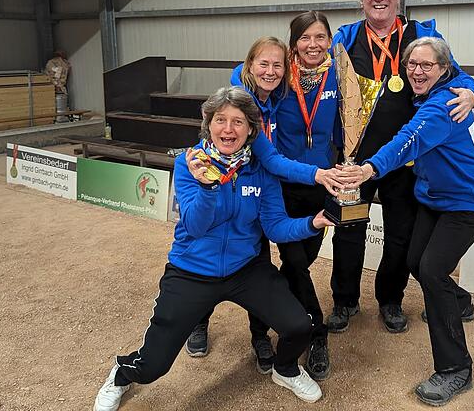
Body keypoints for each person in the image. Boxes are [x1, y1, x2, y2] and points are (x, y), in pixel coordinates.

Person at [93, 86, 331, 411]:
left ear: (251, 129)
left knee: (300, 325)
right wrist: (207, 186)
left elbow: (275, 227)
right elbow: (194, 225)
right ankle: (121, 374)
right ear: (209, 124)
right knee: (154, 366)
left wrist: (312, 223)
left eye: (238, 122)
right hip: (191, 271)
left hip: (246, 270)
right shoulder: (190, 163)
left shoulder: (261, 171)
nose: (228, 129)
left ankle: (285, 368)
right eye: (221, 120)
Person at [183, 37, 358, 374]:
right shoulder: (246, 100)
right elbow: (274, 160)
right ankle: (199, 320)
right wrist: (319, 175)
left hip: (266, 191)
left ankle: (261, 333)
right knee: (212, 251)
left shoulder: (279, 95)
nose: (271, 71)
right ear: (249, 64)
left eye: (278, 65)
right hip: (228, 184)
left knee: (265, 264)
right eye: (263, 63)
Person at [327, 0, 474, 334]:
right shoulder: (346, 39)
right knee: (348, 230)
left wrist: (473, 94)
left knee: (400, 235)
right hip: (355, 162)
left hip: (406, 162)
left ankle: (390, 301)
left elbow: (459, 75)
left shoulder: (420, 33)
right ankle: (344, 300)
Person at [350, 36, 474, 406]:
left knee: (431, 270)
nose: (416, 71)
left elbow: (405, 143)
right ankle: (459, 302)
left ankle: (455, 370)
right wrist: (471, 89)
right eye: (412, 64)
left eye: (426, 65)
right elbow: (463, 75)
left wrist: (369, 168)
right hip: (434, 196)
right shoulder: (455, 83)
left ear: (442, 69)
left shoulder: (440, 107)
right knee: (416, 261)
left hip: (467, 201)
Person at [270, 11, 341, 380]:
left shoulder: (339, 74)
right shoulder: (280, 77)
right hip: (284, 185)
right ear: (293, 42)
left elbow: (351, 122)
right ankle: (316, 332)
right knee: (295, 261)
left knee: (300, 262)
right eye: (305, 38)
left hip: (323, 184)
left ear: (329, 40)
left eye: (320, 37)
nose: (313, 45)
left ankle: (276, 312)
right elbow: (243, 73)